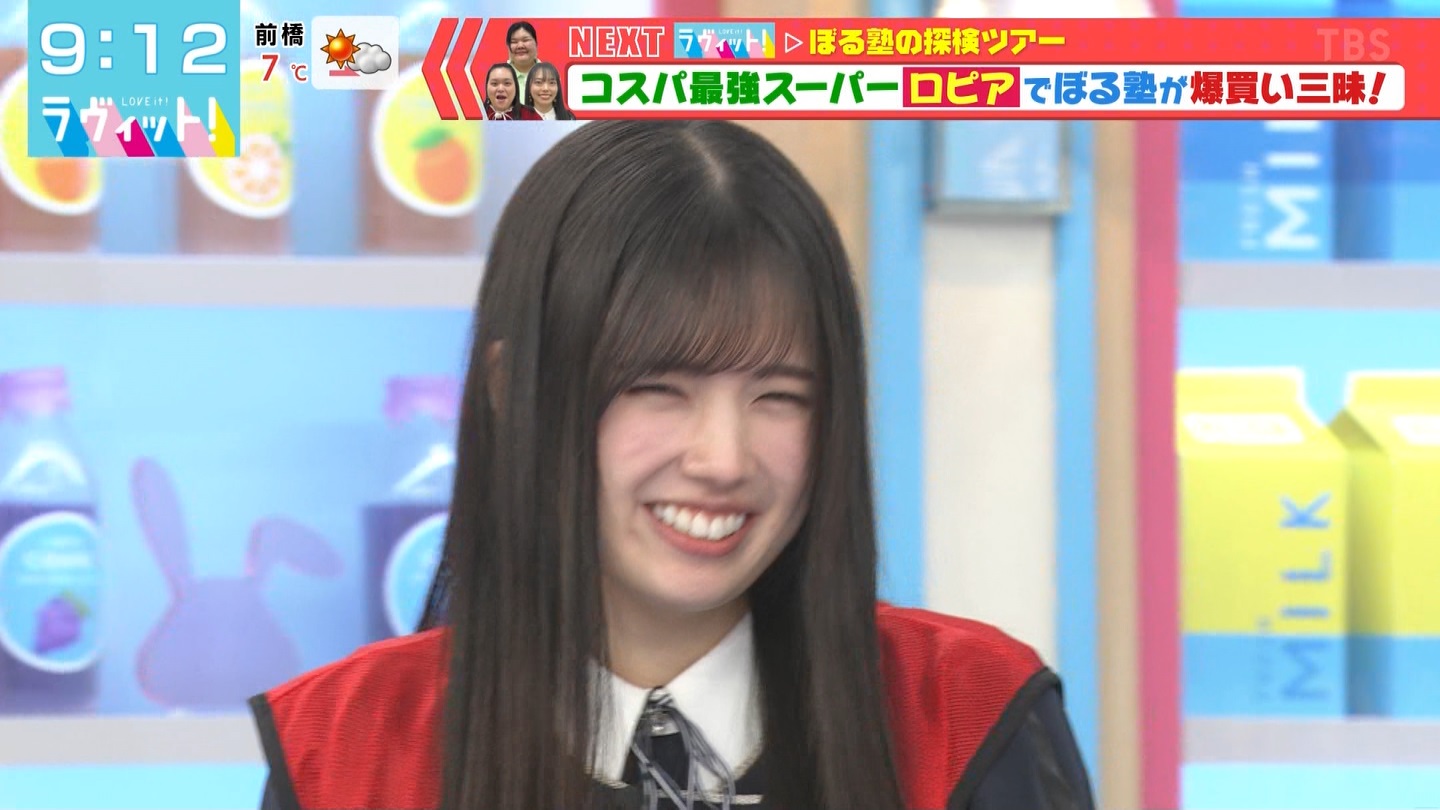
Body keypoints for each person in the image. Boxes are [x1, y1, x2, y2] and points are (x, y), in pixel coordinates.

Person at [249, 121, 1094, 810]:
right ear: (515, 391)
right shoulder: (341, 753)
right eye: (658, 388)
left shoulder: (968, 717)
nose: (723, 459)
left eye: (780, 396)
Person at [506, 21, 539, 105]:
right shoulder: (500, 75)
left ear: (536, 43)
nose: (520, 46)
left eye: (525, 40)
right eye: (514, 42)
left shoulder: (550, 74)